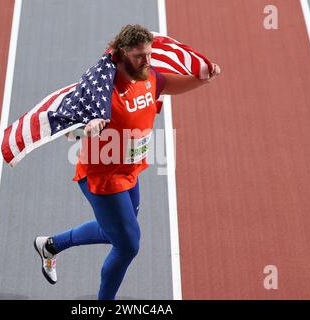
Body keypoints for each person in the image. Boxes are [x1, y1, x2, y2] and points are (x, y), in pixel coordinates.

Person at [34, 24, 221, 300]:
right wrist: (85, 128)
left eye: (148, 54)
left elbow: (167, 84)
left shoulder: (148, 77)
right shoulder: (100, 90)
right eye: (139, 56)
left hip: (131, 170)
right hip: (104, 177)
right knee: (127, 245)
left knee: (116, 232)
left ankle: (50, 245)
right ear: (122, 54)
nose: (146, 60)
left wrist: (202, 78)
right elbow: (67, 129)